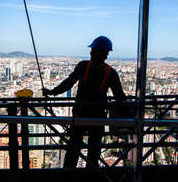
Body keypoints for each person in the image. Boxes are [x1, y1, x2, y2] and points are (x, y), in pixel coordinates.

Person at [43, 36, 126, 169]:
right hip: (95, 116)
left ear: (102, 53)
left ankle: (70, 176)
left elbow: (68, 83)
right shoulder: (109, 73)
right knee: (90, 149)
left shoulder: (85, 67)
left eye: (94, 51)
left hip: (83, 114)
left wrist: (52, 92)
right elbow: (120, 97)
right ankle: (88, 178)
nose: (91, 53)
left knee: (76, 148)